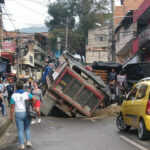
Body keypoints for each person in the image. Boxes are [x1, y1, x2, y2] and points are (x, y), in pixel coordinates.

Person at [10, 80, 36, 150]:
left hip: (18, 113)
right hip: (27, 112)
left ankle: (22, 145)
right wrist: (32, 106)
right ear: (23, 86)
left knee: (20, 130)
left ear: (16, 87)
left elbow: (12, 107)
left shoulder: (13, 95)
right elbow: (34, 98)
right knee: (27, 128)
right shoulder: (27, 94)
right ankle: (28, 142)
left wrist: (11, 116)